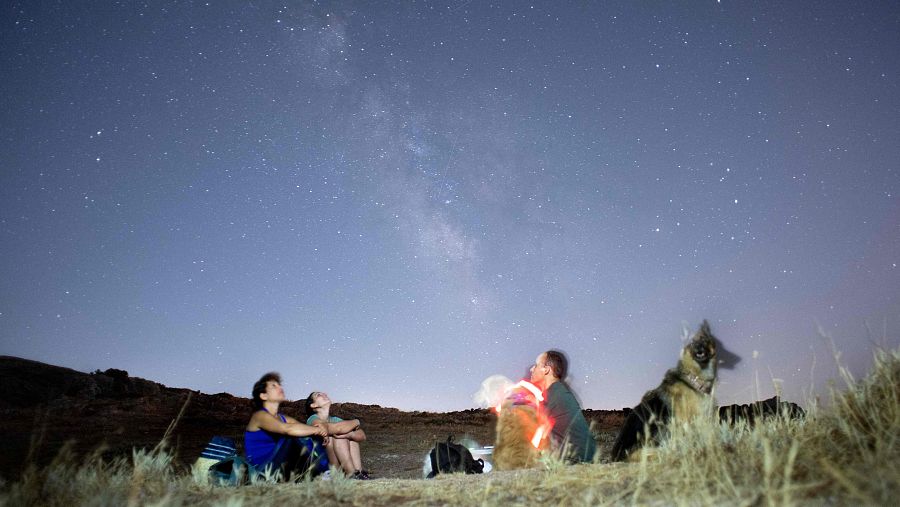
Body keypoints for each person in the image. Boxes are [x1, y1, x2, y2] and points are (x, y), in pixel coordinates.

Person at [244, 372, 330, 480]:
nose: (280, 387)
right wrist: (317, 430)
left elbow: (302, 428)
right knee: (291, 436)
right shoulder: (259, 415)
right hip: (262, 471)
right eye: (274, 386)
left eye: (279, 385)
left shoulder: (283, 418)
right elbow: (288, 429)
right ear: (263, 395)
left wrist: (320, 431)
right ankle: (319, 474)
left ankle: (325, 472)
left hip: (281, 467)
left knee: (310, 436)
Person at [530, 350, 597, 463]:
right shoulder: (558, 392)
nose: (532, 369)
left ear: (547, 370)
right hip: (585, 459)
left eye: (536, 365)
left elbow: (535, 438)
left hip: (574, 462)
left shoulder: (551, 396)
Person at [305, 391, 370, 479]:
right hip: (327, 467)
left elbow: (362, 435)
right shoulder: (312, 419)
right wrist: (356, 422)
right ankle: (351, 474)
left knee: (348, 435)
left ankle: (358, 472)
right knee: (339, 435)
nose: (325, 394)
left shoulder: (335, 419)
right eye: (319, 395)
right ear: (313, 405)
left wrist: (349, 435)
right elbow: (335, 428)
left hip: (340, 465)